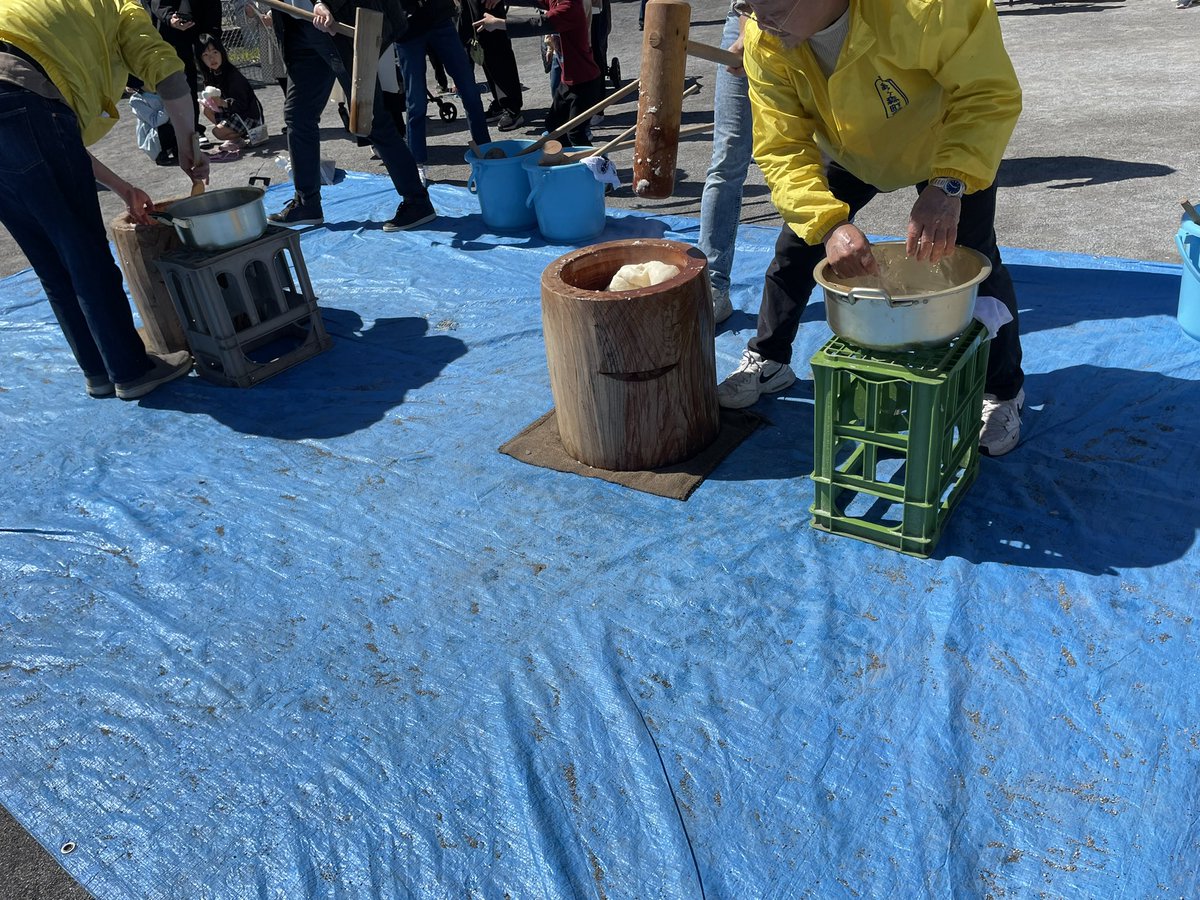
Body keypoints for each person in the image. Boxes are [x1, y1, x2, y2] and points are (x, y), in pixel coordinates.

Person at [717, 0, 1027, 457]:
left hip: (944, 144)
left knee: (974, 259)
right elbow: (781, 147)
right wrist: (828, 224)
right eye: (748, 4)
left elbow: (987, 93)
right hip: (850, 148)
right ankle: (770, 357)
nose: (759, 20)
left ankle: (1003, 392)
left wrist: (949, 184)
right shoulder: (767, 38)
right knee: (797, 248)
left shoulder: (924, 6)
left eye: (771, 4)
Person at [0, 0, 206, 400]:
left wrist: (124, 189)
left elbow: (53, 141)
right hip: (21, 94)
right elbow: (167, 72)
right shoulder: (119, 6)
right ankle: (131, 370)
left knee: (49, 257)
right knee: (84, 252)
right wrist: (188, 142)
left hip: (19, 100)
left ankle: (97, 370)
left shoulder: (39, 11)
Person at [269, 0, 436, 232]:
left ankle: (417, 201)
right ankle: (307, 204)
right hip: (297, 25)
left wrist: (323, 3)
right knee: (298, 116)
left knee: (370, 117)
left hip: (336, 22)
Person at [475, 0, 602, 147]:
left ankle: (597, 161)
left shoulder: (570, 7)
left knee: (575, 133)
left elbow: (537, 24)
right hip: (568, 82)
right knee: (554, 125)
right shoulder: (556, 1)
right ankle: (567, 158)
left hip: (585, 83)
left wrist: (499, 23)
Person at [696, 0, 753, 325]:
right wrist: (746, 32)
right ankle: (712, 287)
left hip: (811, 22)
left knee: (826, 156)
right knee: (727, 160)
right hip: (748, 21)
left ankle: (834, 272)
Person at [395, 0, 492, 185]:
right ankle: (417, 164)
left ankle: (485, 153)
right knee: (416, 103)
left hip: (439, 18)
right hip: (406, 27)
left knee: (469, 90)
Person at [197, 33, 265, 145]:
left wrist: (223, 103)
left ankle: (246, 134)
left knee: (217, 132)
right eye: (205, 55)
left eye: (215, 52)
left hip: (248, 116)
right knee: (205, 108)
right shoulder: (211, 75)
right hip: (233, 113)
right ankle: (236, 138)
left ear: (222, 53)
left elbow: (242, 105)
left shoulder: (232, 75)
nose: (211, 58)